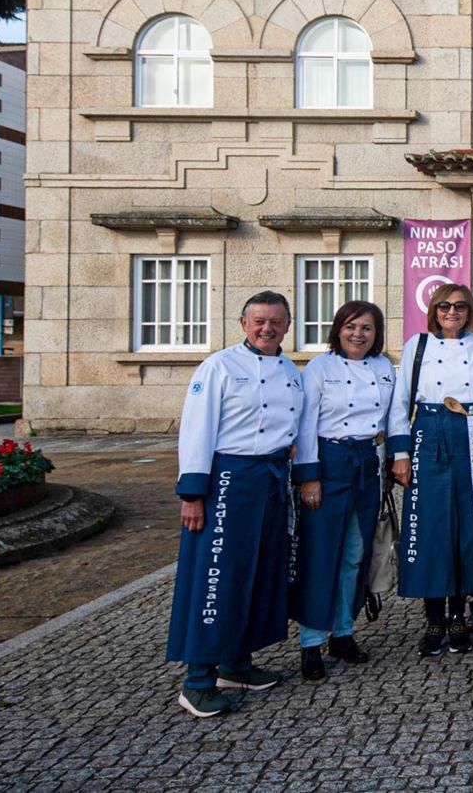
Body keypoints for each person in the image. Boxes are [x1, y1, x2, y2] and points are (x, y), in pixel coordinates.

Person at [166, 291, 309, 718]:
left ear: (288, 325)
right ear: (243, 323)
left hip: (270, 480)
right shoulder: (218, 366)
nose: (268, 328)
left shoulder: (291, 371)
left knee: (263, 570)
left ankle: (237, 663)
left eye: (276, 321)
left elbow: (298, 429)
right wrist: (193, 493)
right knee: (218, 576)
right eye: (259, 321)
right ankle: (197, 681)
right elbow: (196, 430)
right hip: (227, 479)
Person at [387, 282, 473, 658]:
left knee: (469, 529)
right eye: (444, 307)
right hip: (431, 433)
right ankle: (434, 616)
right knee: (433, 528)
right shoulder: (416, 347)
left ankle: (458, 615)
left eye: (460, 307)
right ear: (434, 311)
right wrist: (400, 452)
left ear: (469, 311)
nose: (452, 313)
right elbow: (400, 402)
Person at [290, 300, 394, 681]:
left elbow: (391, 419)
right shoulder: (319, 367)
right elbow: (305, 425)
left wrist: (390, 463)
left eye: (366, 328)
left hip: (366, 463)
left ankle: (344, 632)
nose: (358, 334)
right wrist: (309, 477)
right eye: (351, 326)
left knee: (355, 553)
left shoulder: (384, 368)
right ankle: (311, 641)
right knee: (321, 555)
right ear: (338, 329)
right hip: (330, 463)